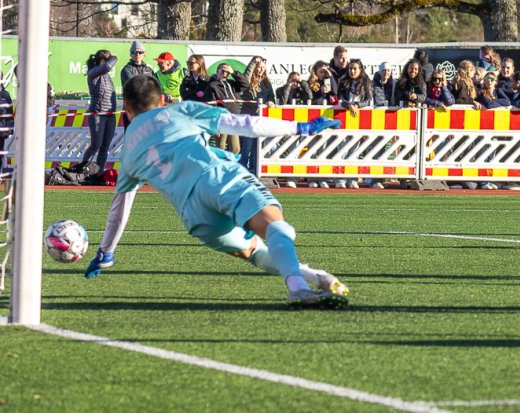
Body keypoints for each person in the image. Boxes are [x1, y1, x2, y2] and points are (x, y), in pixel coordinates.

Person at [82, 75, 348, 309]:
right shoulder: (180, 111)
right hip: (217, 179)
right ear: (162, 99)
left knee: (255, 252)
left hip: (195, 218)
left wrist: (106, 252)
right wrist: (298, 128)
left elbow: (120, 207)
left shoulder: (128, 152)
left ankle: (315, 277)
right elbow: (243, 123)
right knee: (275, 227)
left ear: (126, 107)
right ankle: (297, 289)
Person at [78, 49, 118, 173]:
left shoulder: (105, 76)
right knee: (96, 144)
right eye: (106, 59)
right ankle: (82, 170)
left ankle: (98, 172)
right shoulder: (93, 72)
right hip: (97, 114)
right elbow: (106, 67)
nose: (109, 61)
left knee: (105, 147)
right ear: (100, 60)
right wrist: (114, 57)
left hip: (110, 115)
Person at [235, 57, 275, 174]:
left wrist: (270, 102)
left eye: (263, 67)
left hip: (261, 119)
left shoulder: (266, 82)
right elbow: (246, 76)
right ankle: (243, 167)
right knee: (248, 144)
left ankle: (255, 168)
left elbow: (271, 96)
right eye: (259, 67)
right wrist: (253, 62)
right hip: (249, 117)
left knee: (258, 146)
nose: (261, 69)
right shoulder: (247, 81)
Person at [206, 63, 242, 154]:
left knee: (236, 148)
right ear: (217, 71)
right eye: (222, 71)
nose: (224, 73)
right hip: (221, 120)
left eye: (227, 72)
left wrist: (233, 72)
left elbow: (245, 83)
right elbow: (211, 105)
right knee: (220, 146)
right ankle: (219, 166)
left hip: (233, 119)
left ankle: (231, 166)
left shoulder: (232, 83)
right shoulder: (213, 85)